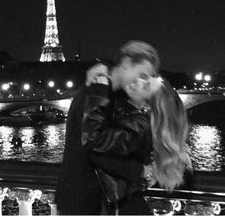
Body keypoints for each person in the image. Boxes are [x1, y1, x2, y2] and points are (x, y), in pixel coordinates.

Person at [55, 40, 160, 215]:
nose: (142, 82)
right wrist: (141, 171)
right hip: (87, 200)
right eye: (141, 74)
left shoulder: (111, 93)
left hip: (89, 197)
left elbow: (117, 143)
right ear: (126, 64)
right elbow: (95, 147)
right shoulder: (97, 91)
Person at [82, 75, 192, 215]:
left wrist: (99, 94)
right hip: (130, 204)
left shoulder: (139, 125)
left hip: (119, 207)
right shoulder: (141, 121)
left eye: (145, 85)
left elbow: (92, 140)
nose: (138, 80)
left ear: (147, 104)